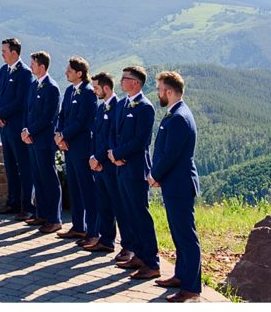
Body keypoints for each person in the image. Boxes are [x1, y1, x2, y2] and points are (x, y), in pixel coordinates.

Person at [148, 70, 200, 303]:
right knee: (178, 234)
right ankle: (181, 276)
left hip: (179, 184)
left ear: (169, 91)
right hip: (173, 182)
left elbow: (172, 154)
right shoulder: (175, 113)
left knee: (186, 236)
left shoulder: (179, 117)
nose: (158, 93)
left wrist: (154, 174)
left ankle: (191, 288)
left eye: (160, 89)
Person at [113, 66, 161, 278]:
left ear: (136, 83)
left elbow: (140, 141)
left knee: (140, 214)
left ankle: (152, 262)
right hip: (120, 167)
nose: (121, 81)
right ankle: (139, 255)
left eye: (125, 78)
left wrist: (120, 154)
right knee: (128, 212)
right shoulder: (123, 104)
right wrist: (114, 154)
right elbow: (116, 133)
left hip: (135, 168)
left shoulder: (145, 107)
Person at [56, 57, 96, 245]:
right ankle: (78, 226)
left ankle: (91, 229)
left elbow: (82, 121)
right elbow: (62, 115)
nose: (66, 73)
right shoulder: (70, 91)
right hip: (68, 147)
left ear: (79, 73)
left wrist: (64, 135)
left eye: (69, 70)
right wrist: (59, 134)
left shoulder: (88, 93)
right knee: (73, 186)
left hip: (81, 147)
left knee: (86, 189)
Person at [20, 50, 62, 234]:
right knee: (37, 178)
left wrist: (31, 130)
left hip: (44, 141)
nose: (31, 66)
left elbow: (48, 117)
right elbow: (27, 110)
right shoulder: (33, 85)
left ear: (42, 66)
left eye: (33, 64)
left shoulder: (52, 88)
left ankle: (55, 218)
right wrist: (24, 130)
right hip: (32, 140)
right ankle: (42, 214)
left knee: (49, 180)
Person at [0, 37, 34, 218]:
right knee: (9, 166)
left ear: (14, 53)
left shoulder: (24, 73)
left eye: (4, 51)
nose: (2, 54)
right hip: (4, 126)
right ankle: (12, 201)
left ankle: (27, 206)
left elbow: (20, 101)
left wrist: (2, 114)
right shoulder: (3, 70)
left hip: (16, 126)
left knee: (23, 166)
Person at [85, 72, 118, 256]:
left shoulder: (116, 107)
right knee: (103, 204)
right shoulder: (100, 108)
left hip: (108, 165)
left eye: (96, 87)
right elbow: (95, 134)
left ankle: (124, 244)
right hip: (97, 163)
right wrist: (92, 157)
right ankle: (105, 239)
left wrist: (98, 158)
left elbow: (111, 138)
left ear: (106, 88)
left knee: (115, 205)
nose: (94, 91)